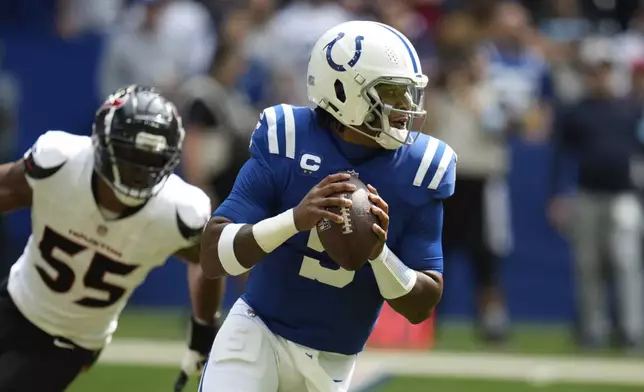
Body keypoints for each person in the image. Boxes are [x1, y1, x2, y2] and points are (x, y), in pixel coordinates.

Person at [199, 21, 456, 392]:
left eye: (409, 94)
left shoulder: (421, 168)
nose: (405, 108)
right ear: (343, 91)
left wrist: (379, 254)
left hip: (334, 363)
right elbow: (213, 256)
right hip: (257, 334)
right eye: (391, 94)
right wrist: (294, 220)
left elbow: (421, 305)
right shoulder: (287, 138)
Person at [0, 85, 223, 391]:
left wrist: (204, 326)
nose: (138, 172)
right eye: (131, 155)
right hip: (15, 301)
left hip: (71, 341)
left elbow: (208, 261)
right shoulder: (62, 163)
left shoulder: (178, 210)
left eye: (150, 161)